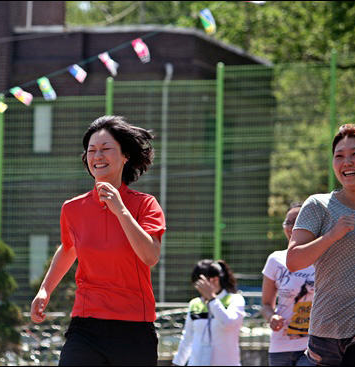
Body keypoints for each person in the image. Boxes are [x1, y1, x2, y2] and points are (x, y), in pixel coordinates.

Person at [30, 116, 166, 366]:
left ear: (125, 156)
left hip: (134, 326)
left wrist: (121, 210)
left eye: (106, 149)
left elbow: (151, 256)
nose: (97, 156)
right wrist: (44, 289)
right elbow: (69, 247)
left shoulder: (145, 204)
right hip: (86, 324)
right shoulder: (73, 208)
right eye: (92, 150)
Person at [287, 124, 355, 366]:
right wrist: (331, 236)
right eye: (339, 156)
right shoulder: (318, 205)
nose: (346, 161)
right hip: (326, 329)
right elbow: (293, 261)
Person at [261, 202, 315, 366]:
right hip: (280, 346)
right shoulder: (275, 259)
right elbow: (265, 304)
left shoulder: (323, 258)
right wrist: (272, 317)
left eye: (298, 221)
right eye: (288, 222)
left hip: (313, 346)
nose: (291, 227)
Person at [172, 259, 245, 366]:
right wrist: (177, 363)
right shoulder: (195, 304)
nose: (199, 289)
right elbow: (187, 338)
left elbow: (227, 323)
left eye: (201, 284)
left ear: (215, 280)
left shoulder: (235, 300)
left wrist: (212, 299)